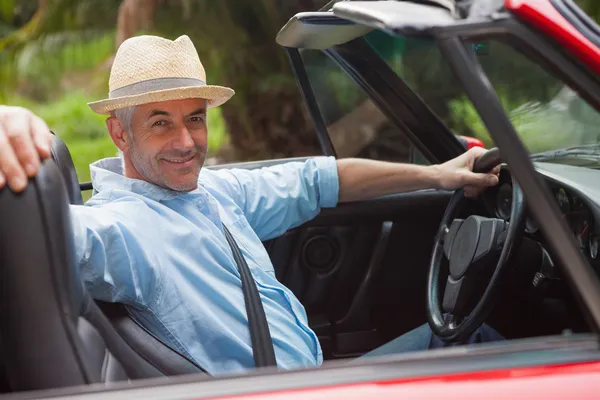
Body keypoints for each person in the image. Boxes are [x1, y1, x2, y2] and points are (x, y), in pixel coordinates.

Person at [0, 35, 502, 376]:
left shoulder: (212, 191)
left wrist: (438, 176)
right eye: (160, 122)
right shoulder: (120, 230)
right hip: (292, 391)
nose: (185, 141)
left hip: (316, 377)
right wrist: (5, 125)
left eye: (195, 119)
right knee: (482, 346)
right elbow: (38, 235)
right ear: (118, 132)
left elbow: (319, 179)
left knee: (468, 336)